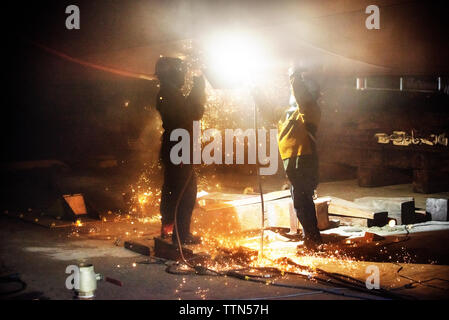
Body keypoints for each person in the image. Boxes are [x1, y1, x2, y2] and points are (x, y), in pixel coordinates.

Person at [155, 57, 205, 245]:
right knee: (185, 192)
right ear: (173, 73)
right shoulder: (169, 94)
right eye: (182, 72)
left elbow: (189, 110)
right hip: (178, 148)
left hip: (175, 146)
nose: (184, 76)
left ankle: (170, 228)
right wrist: (199, 82)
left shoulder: (168, 93)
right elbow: (194, 112)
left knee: (174, 189)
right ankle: (180, 235)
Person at [277, 67, 323, 250]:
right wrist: (255, 89)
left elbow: (302, 97)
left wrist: (294, 75)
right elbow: (267, 110)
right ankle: (311, 238)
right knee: (300, 200)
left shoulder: (310, 109)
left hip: (305, 159)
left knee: (302, 199)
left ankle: (312, 240)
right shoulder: (286, 114)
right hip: (292, 160)